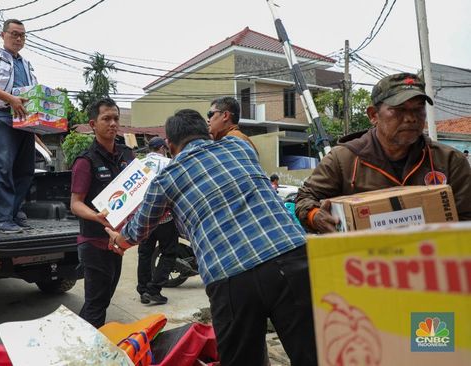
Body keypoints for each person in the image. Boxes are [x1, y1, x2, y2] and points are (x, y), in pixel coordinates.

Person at [105, 109, 315, 366]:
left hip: (230, 277)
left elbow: (138, 230)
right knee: (315, 354)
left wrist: (118, 239)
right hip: (291, 256)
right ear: (208, 133)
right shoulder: (240, 147)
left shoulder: (165, 179)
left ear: (170, 145)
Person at [296, 72, 471, 233]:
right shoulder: (343, 159)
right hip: (363, 262)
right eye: (399, 109)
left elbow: (466, 217)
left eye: (418, 109)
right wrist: (314, 216)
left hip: (431, 260)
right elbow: (305, 197)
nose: (411, 118)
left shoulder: (449, 161)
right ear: (373, 115)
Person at [70, 98, 134, 328]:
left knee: (101, 300)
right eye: (106, 119)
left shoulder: (128, 156)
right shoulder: (85, 161)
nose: (113, 123)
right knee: (97, 305)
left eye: (116, 118)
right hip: (94, 242)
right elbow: (75, 203)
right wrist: (96, 216)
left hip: (118, 241)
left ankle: (74, 337)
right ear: (93, 124)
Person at [0, 19, 38, 234]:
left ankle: (13, 215)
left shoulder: (27, 64)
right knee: (2, 168)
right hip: (0, 116)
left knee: (25, 170)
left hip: (25, 121)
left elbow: (33, 94)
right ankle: (2, 220)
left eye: (22, 35)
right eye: (14, 34)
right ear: (3, 35)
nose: (18, 38)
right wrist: (10, 99)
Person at [136, 137, 178, 305]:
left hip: (144, 218)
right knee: (169, 253)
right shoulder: (169, 163)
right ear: (162, 148)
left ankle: (143, 290)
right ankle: (154, 290)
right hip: (165, 218)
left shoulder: (139, 164)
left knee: (144, 254)